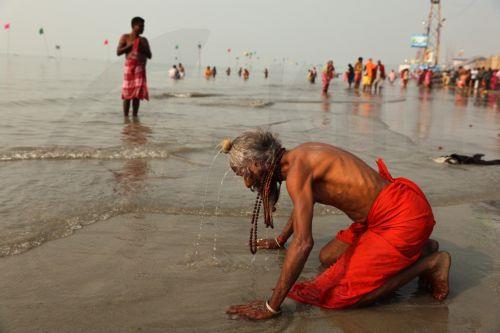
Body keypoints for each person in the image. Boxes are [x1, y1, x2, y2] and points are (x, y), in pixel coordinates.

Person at [222, 130, 451, 320]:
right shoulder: (297, 157)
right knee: (328, 257)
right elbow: (303, 204)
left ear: (256, 163)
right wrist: (281, 240)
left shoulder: (296, 172)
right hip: (379, 217)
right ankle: (421, 248)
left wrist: (271, 306)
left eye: (245, 174)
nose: (246, 183)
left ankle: (431, 263)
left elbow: (303, 244)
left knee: (341, 297)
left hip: (400, 216)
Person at [117, 16, 152, 117]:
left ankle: (135, 117)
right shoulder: (125, 37)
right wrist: (131, 45)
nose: (143, 28)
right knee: (127, 94)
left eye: (143, 26)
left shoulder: (144, 40)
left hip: (140, 69)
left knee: (136, 95)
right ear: (133, 26)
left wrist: (143, 47)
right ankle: (126, 118)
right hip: (129, 69)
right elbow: (118, 52)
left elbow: (150, 55)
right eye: (141, 26)